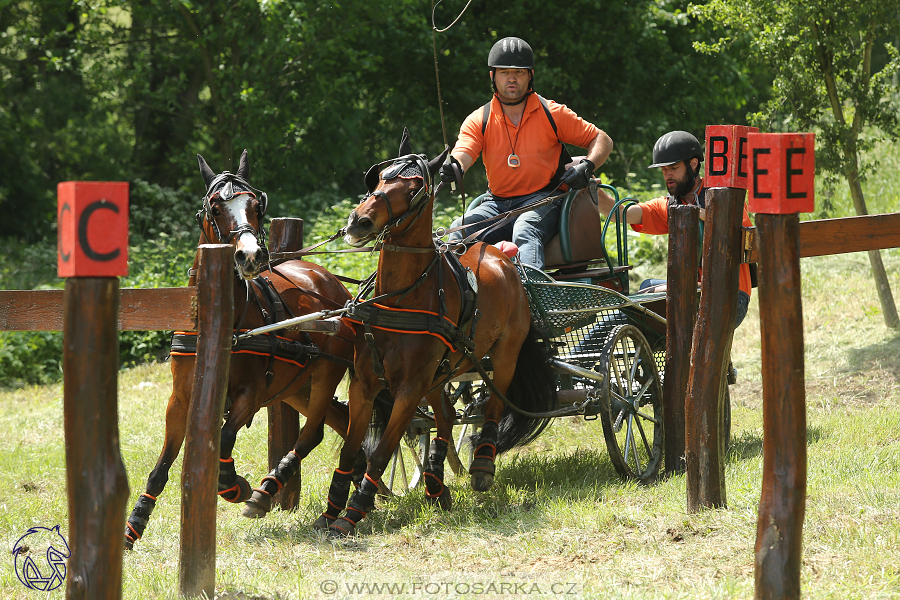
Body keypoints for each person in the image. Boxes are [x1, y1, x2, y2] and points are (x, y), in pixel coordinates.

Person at [440, 36, 613, 270]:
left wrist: (588, 165)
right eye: (504, 72)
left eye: (519, 72)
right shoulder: (479, 119)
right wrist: (456, 167)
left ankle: (530, 297)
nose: (511, 78)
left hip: (544, 199)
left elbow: (601, 139)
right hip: (496, 204)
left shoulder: (552, 113)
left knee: (526, 227)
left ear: (530, 75)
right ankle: (455, 299)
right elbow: (464, 152)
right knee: (457, 229)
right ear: (493, 76)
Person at [596, 130, 753, 328]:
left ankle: (576, 357)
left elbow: (745, 239)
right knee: (645, 288)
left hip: (731, 296)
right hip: (692, 293)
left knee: (635, 304)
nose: (667, 175)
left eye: (673, 168)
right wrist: (595, 192)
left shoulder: (723, 197)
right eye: (663, 170)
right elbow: (622, 214)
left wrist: (702, 215)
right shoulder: (670, 205)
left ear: (693, 164)